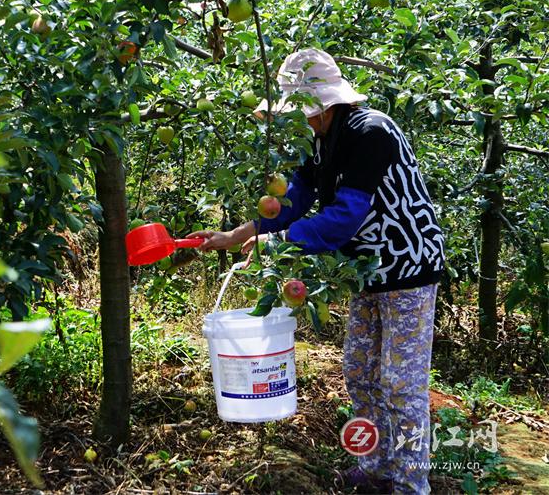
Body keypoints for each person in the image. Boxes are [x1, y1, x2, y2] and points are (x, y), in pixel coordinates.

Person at [189, 48, 445, 494]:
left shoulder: (371, 133)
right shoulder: (321, 140)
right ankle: (377, 466)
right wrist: (236, 234)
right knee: (360, 371)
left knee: (401, 382)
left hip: (408, 266)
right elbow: (294, 201)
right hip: (366, 269)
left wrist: (277, 243)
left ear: (324, 106)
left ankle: (410, 483)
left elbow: (345, 214)